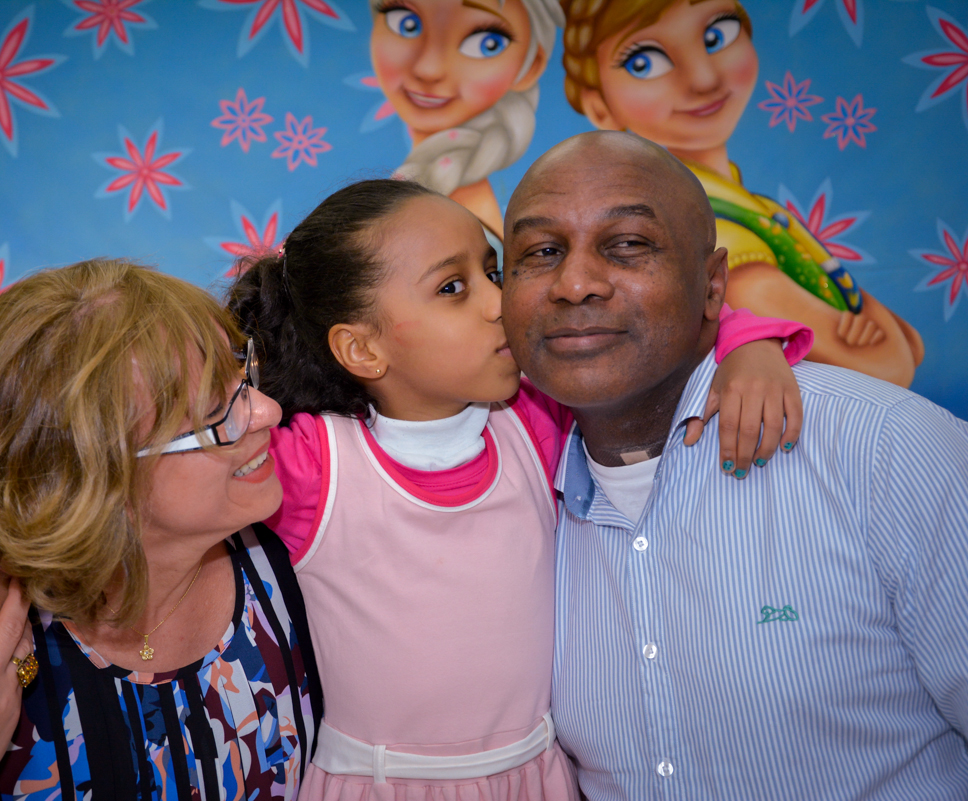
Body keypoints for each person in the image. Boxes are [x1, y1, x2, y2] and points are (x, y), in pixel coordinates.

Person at [225, 177, 808, 801]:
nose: (497, 303)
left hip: (542, 776)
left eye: (494, 273)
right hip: (380, 783)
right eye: (453, 288)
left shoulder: (533, 421)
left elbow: (654, 340)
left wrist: (749, 345)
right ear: (362, 349)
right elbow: (183, 446)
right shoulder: (314, 465)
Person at [502, 129, 968, 799]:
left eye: (628, 244)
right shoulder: (511, 503)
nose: (574, 283)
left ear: (713, 285)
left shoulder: (883, 449)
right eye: (541, 252)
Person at [0, 260, 321, 801]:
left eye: (241, 376)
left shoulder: (288, 550)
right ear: (96, 479)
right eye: (215, 413)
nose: (268, 411)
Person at [557, 0, 925, 386]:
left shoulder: (758, 209)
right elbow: (888, 365)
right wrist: (870, 324)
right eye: (644, 63)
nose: (703, 79)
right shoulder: (707, 234)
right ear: (598, 105)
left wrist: (875, 329)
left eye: (718, 35)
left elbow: (912, 346)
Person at [373, 0, 564, 236]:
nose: (428, 69)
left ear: (530, 65)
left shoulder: (465, 220)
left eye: (487, 44)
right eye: (406, 24)